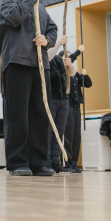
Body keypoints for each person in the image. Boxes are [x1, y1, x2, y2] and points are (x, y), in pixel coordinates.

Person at [0, 0, 58, 177]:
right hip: (16, 63)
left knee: (40, 115)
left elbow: (52, 29)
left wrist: (47, 40)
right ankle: (17, 162)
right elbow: (15, 17)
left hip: (40, 66)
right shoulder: (6, 2)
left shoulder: (40, 7)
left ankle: (39, 162)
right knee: (18, 117)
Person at [45, 36, 82, 172]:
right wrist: (60, 43)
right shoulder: (44, 56)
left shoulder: (60, 61)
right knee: (49, 132)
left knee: (59, 132)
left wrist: (69, 64)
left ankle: (56, 163)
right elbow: (48, 56)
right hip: (51, 98)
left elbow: (72, 74)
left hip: (64, 99)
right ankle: (47, 162)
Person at [64, 68, 92, 173]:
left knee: (76, 136)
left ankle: (74, 164)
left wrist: (84, 75)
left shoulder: (75, 74)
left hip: (76, 107)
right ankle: (67, 164)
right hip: (68, 106)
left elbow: (88, 84)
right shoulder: (63, 73)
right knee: (68, 136)